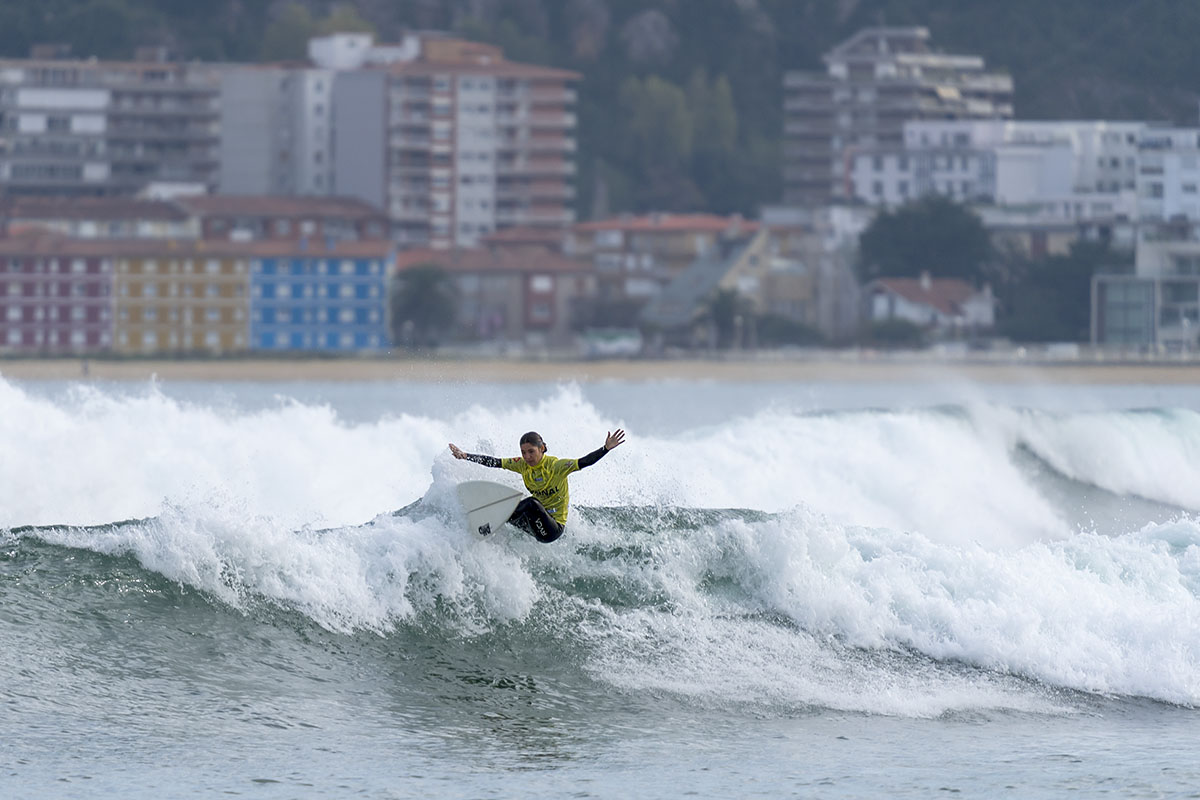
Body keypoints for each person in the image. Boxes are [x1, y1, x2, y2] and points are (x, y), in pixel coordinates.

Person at [449, 429, 626, 543]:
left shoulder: (556, 466)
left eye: (531, 451)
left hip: (551, 530)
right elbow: (495, 462)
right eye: (523, 452)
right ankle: (489, 523)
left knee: (531, 503)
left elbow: (584, 462)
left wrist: (605, 448)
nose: (526, 456)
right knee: (516, 503)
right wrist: (465, 456)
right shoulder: (522, 465)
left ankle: (490, 524)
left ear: (542, 449)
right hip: (532, 524)